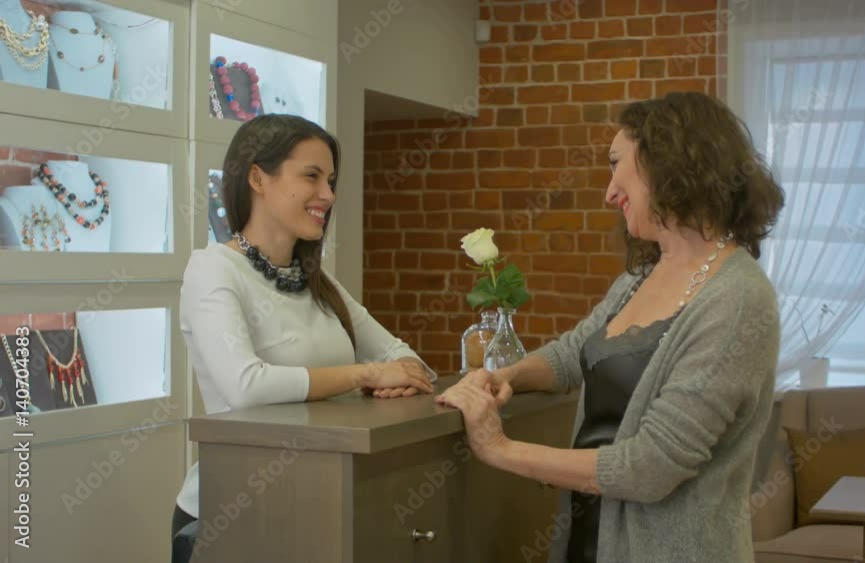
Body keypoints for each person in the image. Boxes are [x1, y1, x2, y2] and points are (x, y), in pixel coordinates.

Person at [436, 92, 785, 563]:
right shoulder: (640, 277)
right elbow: (572, 354)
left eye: (616, 163)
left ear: (671, 164)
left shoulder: (738, 299)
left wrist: (498, 448)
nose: (609, 191)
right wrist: (507, 377)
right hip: (590, 537)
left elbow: (648, 468)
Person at [171, 114, 436, 548]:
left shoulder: (318, 281)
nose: (327, 195)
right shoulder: (213, 268)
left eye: (330, 180)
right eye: (312, 177)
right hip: (234, 511)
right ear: (258, 178)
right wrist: (365, 375)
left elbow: (409, 361)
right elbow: (245, 386)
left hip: (323, 502)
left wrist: (397, 374)